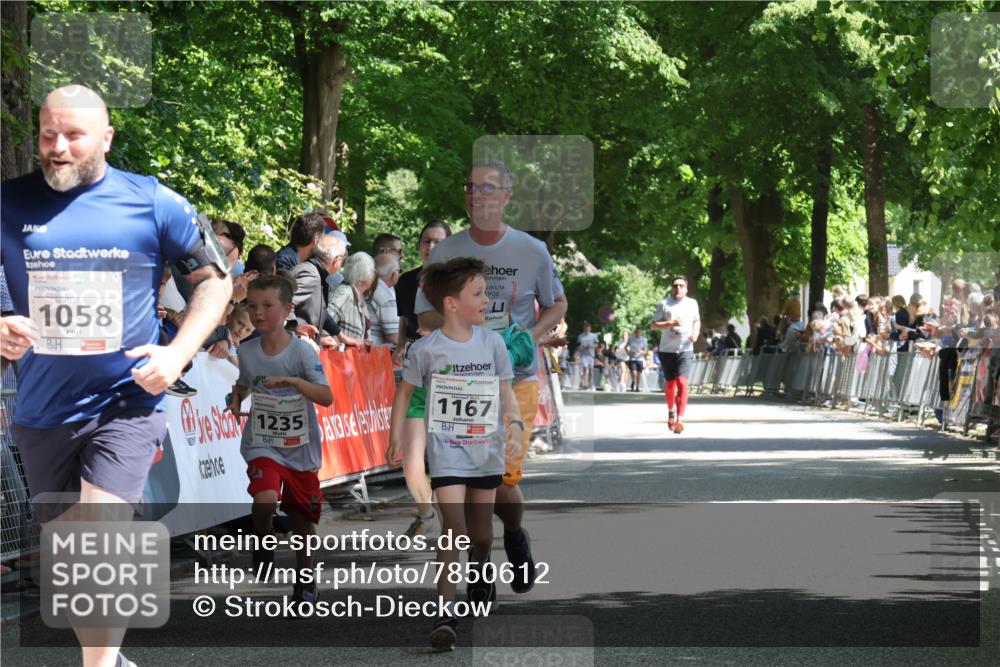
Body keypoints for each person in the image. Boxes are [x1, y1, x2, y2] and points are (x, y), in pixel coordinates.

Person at [0, 85, 232, 667]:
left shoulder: (153, 202)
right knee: (73, 560)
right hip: (41, 408)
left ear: (106, 137)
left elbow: (216, 280)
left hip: (126, 401)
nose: (56, 148)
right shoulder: (7, 203)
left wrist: (177, 354)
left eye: (72, 136)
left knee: (98, 537)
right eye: (47, 134)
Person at [414, 160, 567, 595]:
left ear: (506, 196)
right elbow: (423, 312)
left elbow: (557, 304)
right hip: (460, 382)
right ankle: (480, 564)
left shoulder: (531, 251)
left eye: (489, 188)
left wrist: (529, 337)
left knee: (499, 480)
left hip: (513, 377)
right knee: (468, 480)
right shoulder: (446, 251)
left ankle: (514, 535)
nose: (479, 195)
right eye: (471, 187)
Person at [388, 258, 523, 651]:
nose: (486, 301)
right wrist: (396, 435)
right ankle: (444, 613)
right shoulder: (427, 348)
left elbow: (505, 392)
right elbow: (405, 393)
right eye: (478, 294)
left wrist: (513, 423)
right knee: (455, 531)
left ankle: (481, 570)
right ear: (450, 304)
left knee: (481, 536)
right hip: (447, 455)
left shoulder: (493, 343)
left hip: (485, 455)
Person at [226, 275, 333, 610]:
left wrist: (292, 381)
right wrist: (235, 398)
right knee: (265, 497)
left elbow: (326, 397)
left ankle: (305, 582)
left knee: (303, 520)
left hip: (299, 444)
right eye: (252, 306)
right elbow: (243, 384)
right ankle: (262, 539)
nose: (258, 313)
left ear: (287, 310)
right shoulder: (246, 350)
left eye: (267, 306)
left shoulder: (301, 351)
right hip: (263, 439)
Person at [391, 219, 452, 540]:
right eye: (426, 241)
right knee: (411, 462)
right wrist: (401, 347)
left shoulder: (459, 281)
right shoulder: (407, 281)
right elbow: (406, 321)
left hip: (453, 373)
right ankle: (427, 514)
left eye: (437, 241)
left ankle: (455, 521)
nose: (430, 247)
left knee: (446, 459)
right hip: (417, 366)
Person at [651, 275, 701, 434]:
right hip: (667, 350)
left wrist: (696, 333)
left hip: (685, 349)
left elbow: (696, 320)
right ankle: (671, 410)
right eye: (675, 286)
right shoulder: (664, 303)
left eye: (681, 285)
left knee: (682, 383)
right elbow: (653, 325)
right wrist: (671, 323)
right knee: (671, 384)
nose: (678, 288)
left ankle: (680, 419)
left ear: (686, 288)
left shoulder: (692, 303)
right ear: (672, 288)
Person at [290, 233, 348, 348]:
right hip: (293, 350)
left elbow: (319, 311)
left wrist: (320, 340)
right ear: (336, 260)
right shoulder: (311, 274)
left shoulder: (314, 272)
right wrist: (296, 330)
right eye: (343, 259)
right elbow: (283, 305)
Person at [328, 252, 376, 347]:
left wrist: (363, 342)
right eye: (373, 270)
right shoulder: (345, 292)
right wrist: (344, 342)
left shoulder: (357, 296)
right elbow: (325, 322)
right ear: (366, 273)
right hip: (338, 358)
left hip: (348, 359)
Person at [369, 253, 401, 351]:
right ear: (393, 274)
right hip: (375, 353)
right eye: (399, 271)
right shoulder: (385, 296)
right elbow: (394, 337)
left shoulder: (369, 286)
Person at [577, 321, 599, 389]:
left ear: (590, 328)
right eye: (585, 328)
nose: (586, 329)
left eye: (588, 328)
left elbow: (597, 345)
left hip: (591, 355)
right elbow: (578, 346)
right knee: (585, 368)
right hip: (584, 355)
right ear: (584, 328)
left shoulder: (594, 336)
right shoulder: (580, 336)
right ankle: (585, 383)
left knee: (591, 371)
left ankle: (590, 383)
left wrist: (591, 345)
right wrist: (581, 347)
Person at [626, 326, 648, 391]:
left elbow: (646, 351)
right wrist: (629, 353)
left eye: (639, 332)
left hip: (640, 358)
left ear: (641, 332)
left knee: (639, 373)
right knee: (634, 372)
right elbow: (626, 347)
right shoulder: (631, 338)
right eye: (637, 332)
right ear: (635, 332)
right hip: (632, 358)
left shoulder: (644, 340)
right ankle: (633, 381)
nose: (638, 333)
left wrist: (641, 351)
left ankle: (637, 386)